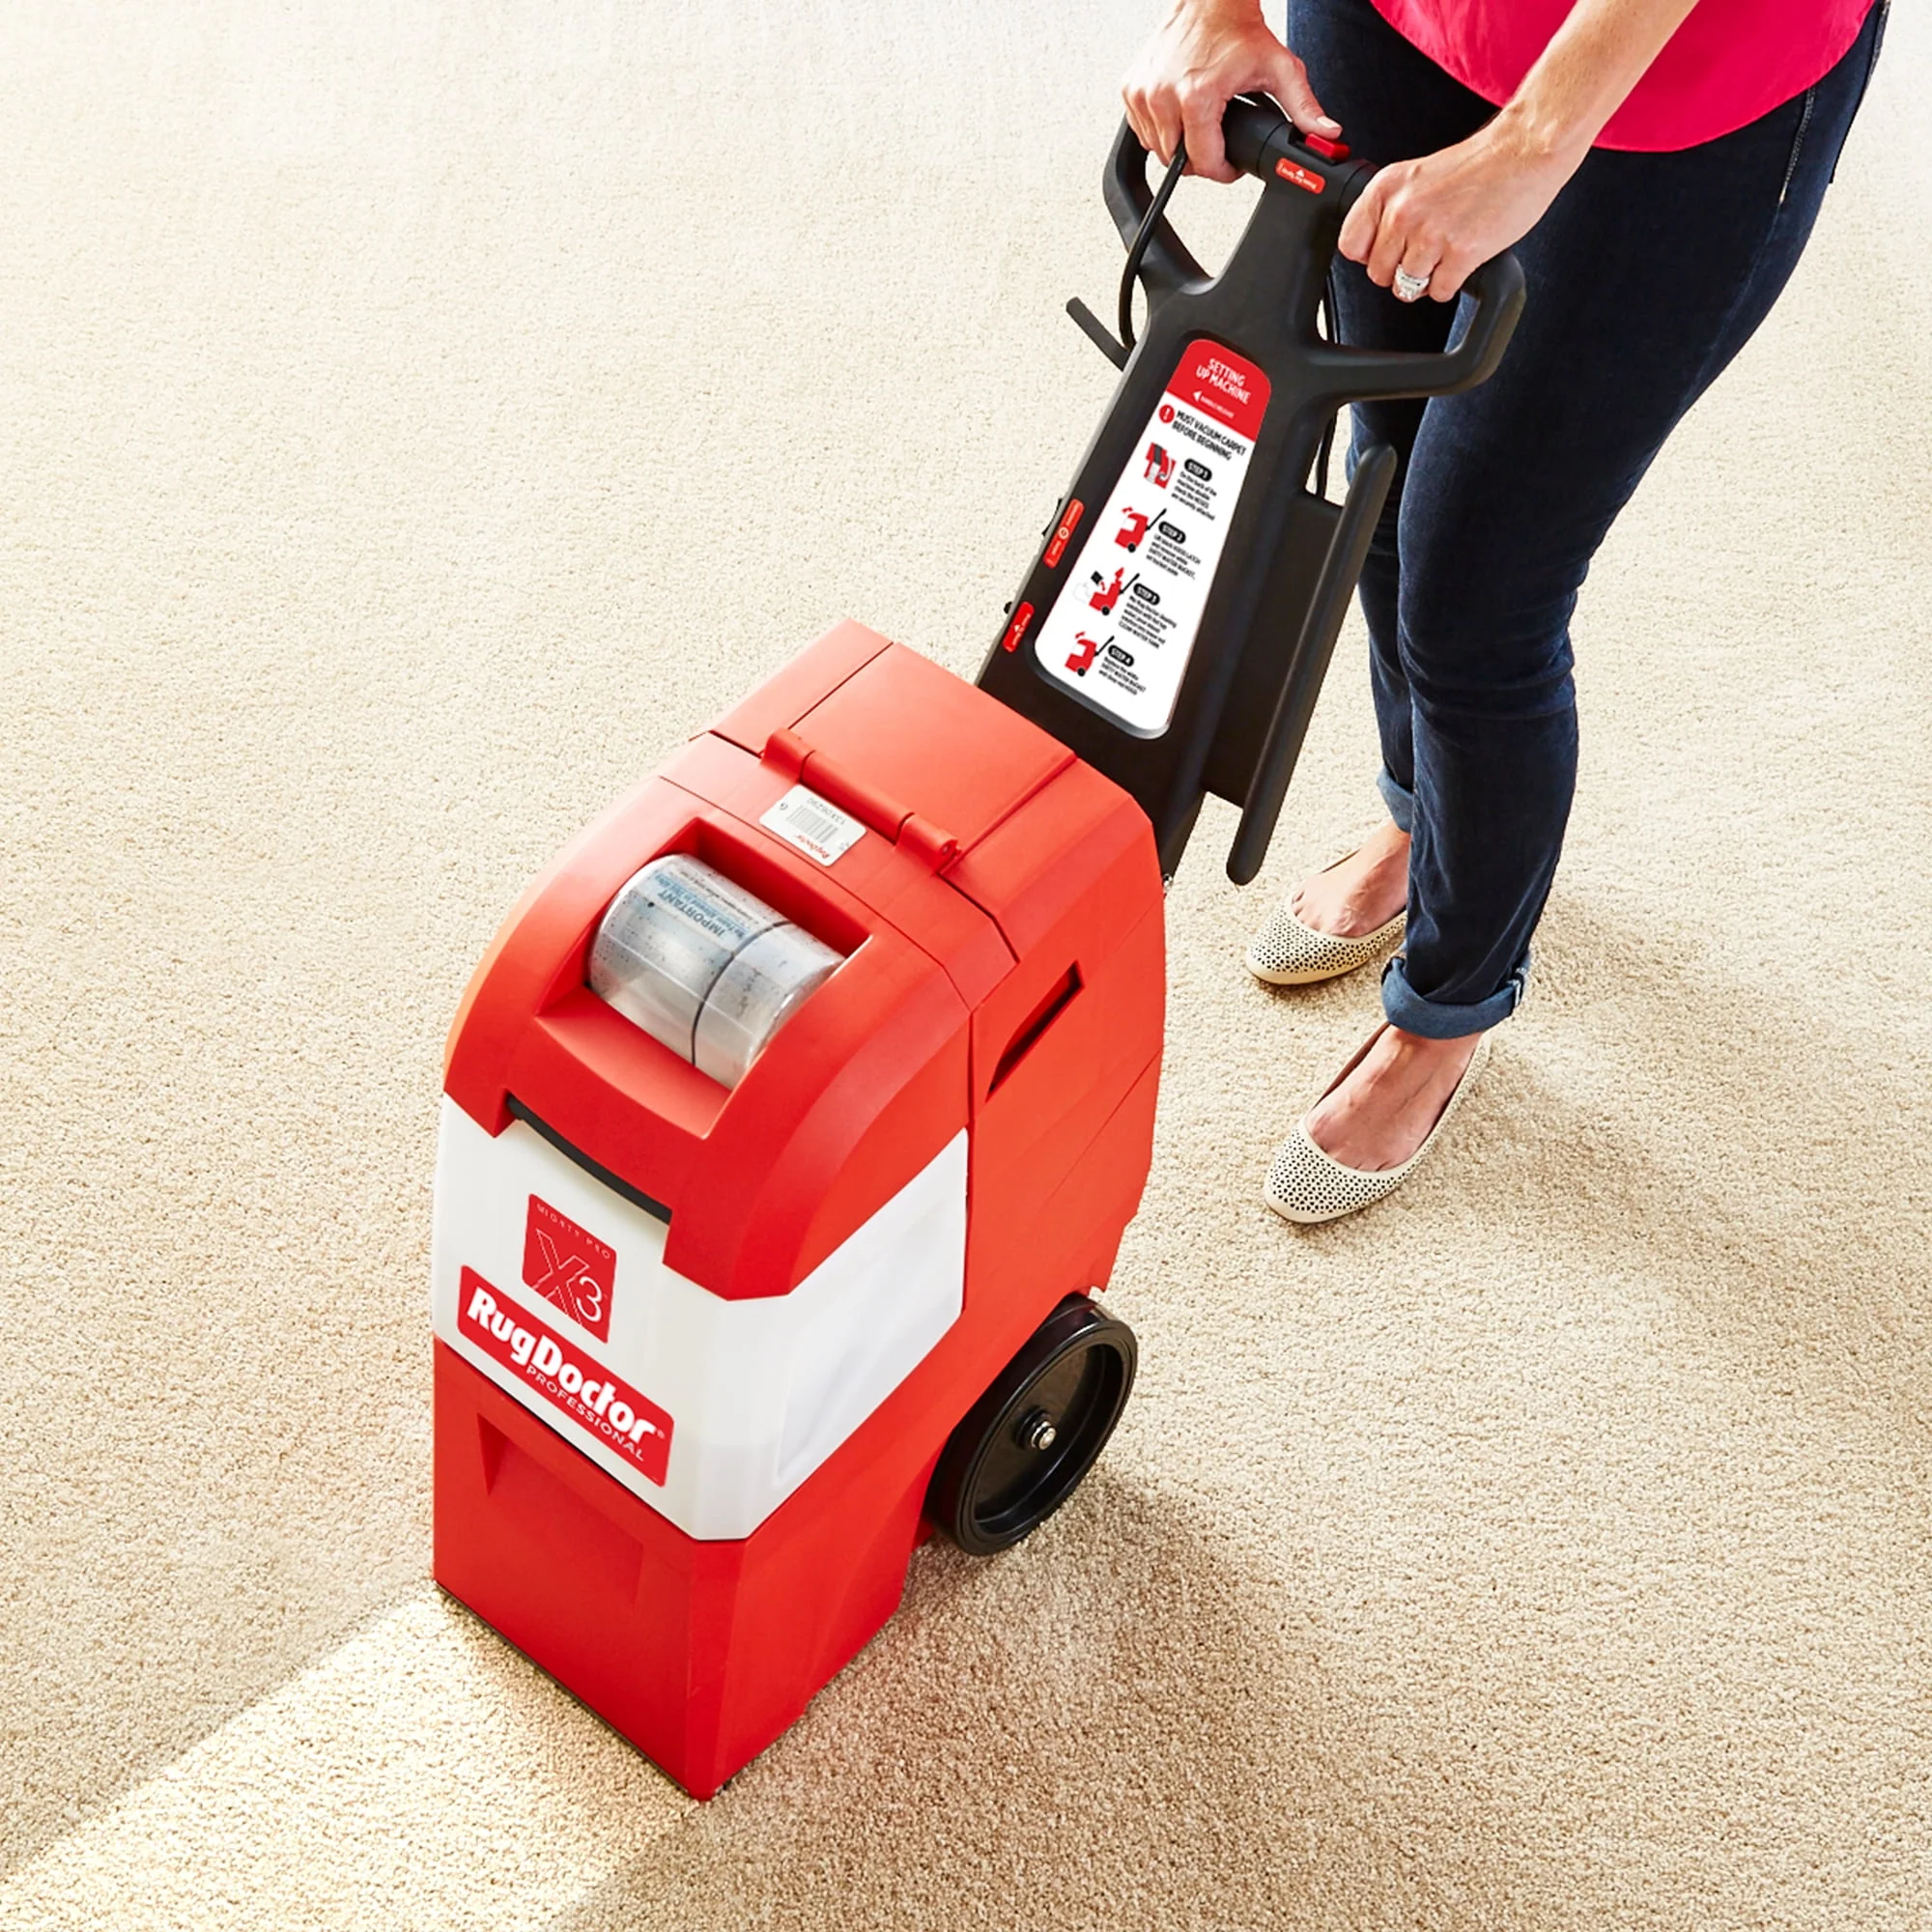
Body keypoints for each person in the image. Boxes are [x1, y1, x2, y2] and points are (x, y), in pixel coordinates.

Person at [1122, 0, 1886, 1222]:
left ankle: (1446, 1007)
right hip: (1395, 23)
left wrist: (1532, 141)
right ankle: (1422, 820)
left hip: (1678, 80)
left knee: (1478, 597)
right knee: (1382, 466)